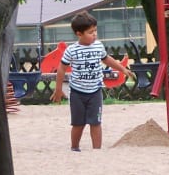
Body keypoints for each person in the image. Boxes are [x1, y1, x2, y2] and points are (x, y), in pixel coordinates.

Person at [51, 11, 131, 152]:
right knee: (78, 123)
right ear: (79, 34)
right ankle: (74, 147)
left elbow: (107, 59)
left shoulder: (98, 46)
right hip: (77, 93)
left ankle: (97, 150)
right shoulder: (72, 50)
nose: (94, 34)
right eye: (90, 32)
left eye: (95, 31)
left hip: (95, 91)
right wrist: (58, 89)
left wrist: (122, 69)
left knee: (96, 122)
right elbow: (61, 69)